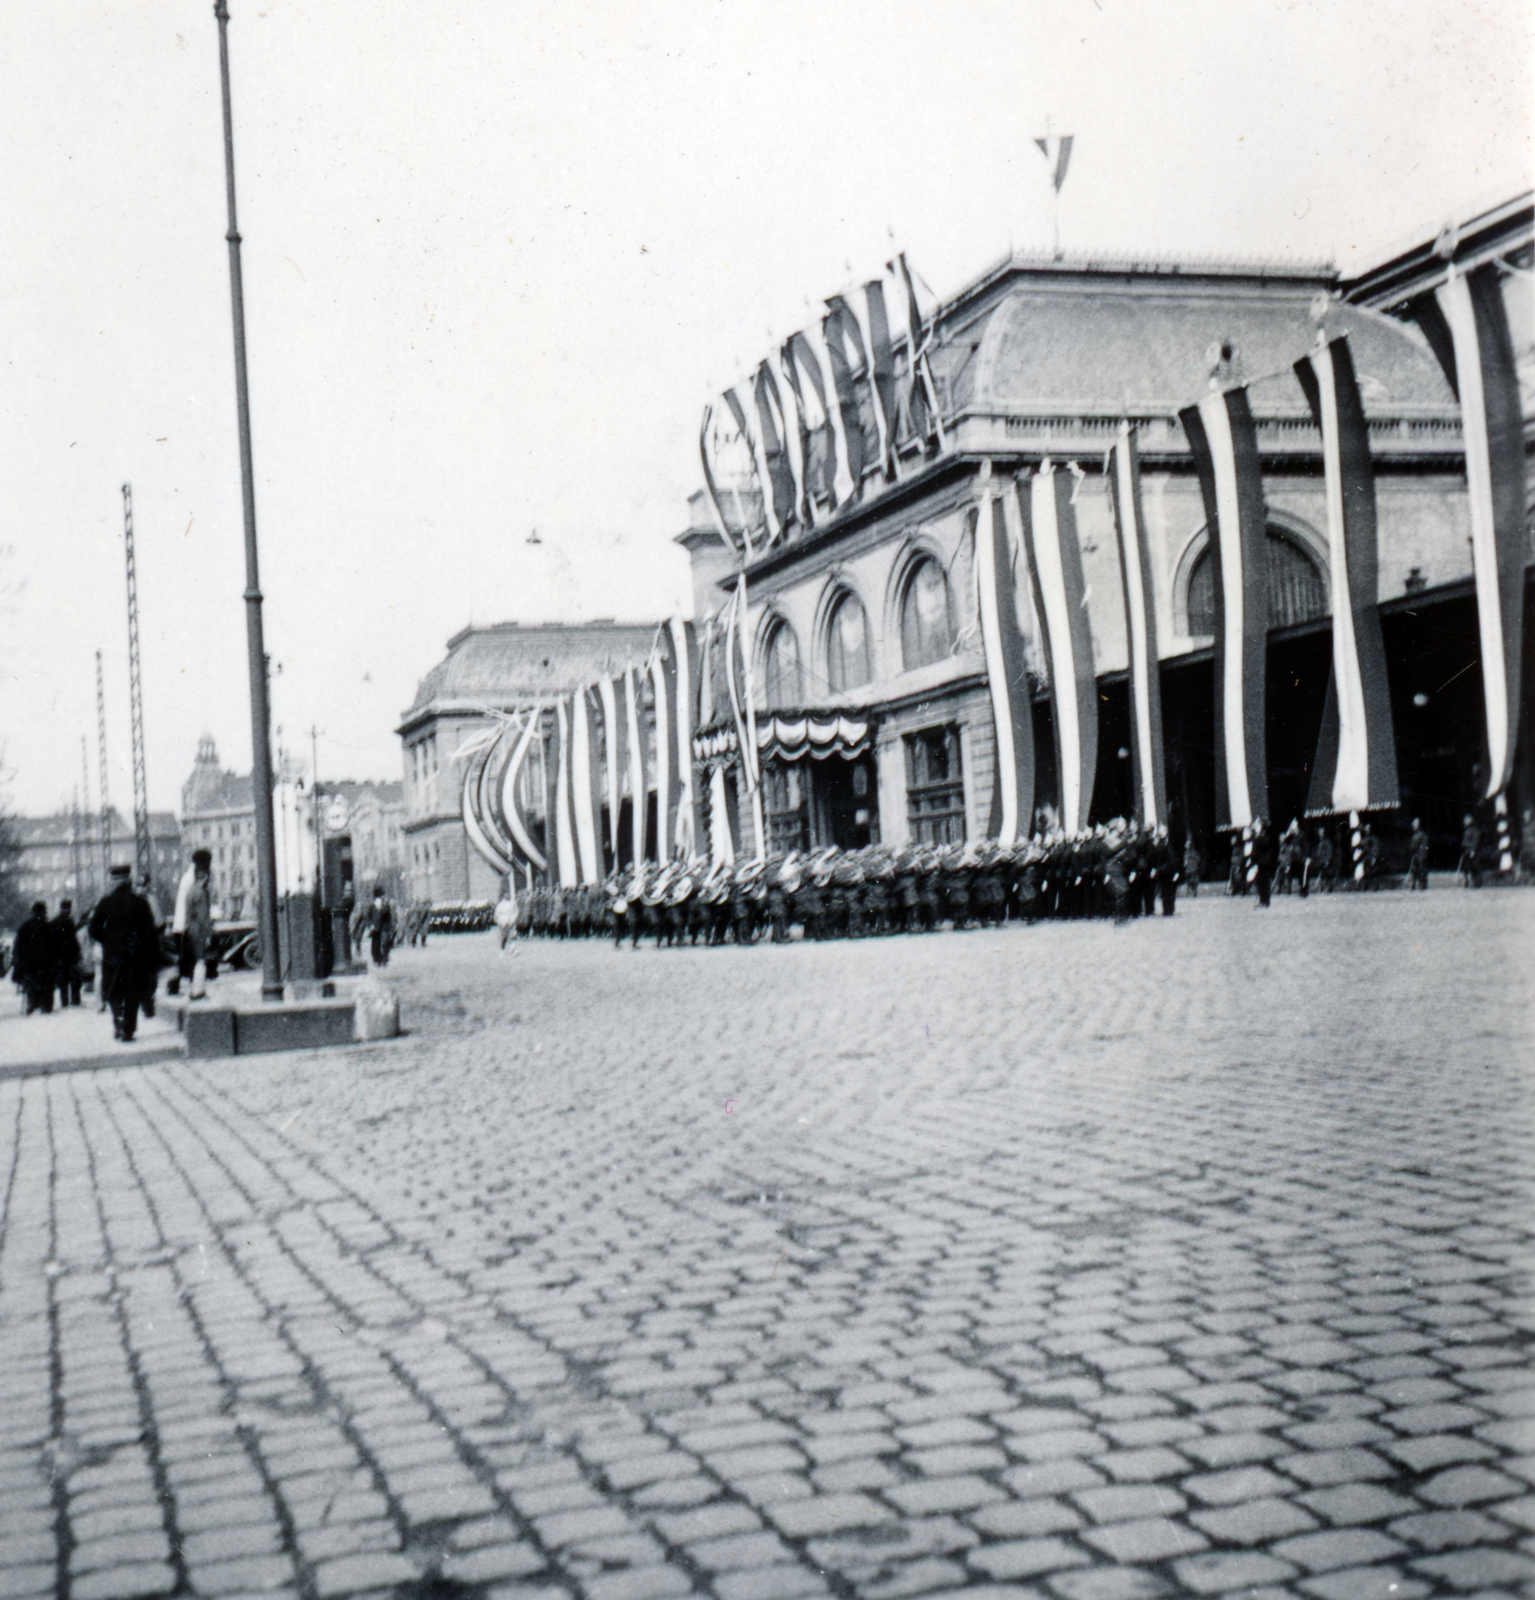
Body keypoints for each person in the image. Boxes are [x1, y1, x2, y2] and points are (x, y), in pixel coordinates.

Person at [88, 866, 162, 1042]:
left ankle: (118, 1020)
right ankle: (128, 1028)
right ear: (129, 881)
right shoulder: (140, 902)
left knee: (114, 988)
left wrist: (107, 940)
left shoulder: (105, 902)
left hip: (113, 953)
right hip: (135, 954)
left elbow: (93, 929)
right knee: (133, 990)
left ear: (113, 882)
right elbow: (149, 931)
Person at [12, 903, 57, 1015]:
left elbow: (18, 944)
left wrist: (19, 958)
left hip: (28, 960)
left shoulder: (25, 926)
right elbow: (53, 944)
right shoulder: (48, 926)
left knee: (30, 982)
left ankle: (32, 1002)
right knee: (45, 981)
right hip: (45, 960)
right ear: (44, 912)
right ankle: (46, 1005)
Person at [180, 858, 215, 998]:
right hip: (199, 931)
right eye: (208, 877)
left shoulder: (191, 891)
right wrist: (209, 935)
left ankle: (193, 989)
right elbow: (203, 917)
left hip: (190, 930)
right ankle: (198, 991)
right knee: (201, 960)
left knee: (192, 961)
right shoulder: (201, 893)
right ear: (205, 876)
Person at [52, 900, 84, 1007]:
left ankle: (64, 1001)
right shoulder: (68, 920)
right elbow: (72, 936)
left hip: (60, 954)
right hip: (70, 953)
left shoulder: (56, 921)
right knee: (74, 977)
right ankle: (75, 999)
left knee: (63, 979)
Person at [363, 885, 395, 967]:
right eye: (381, 895)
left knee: (385, 943)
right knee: (375, 945)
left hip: (384, 927)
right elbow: (367, 916)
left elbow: (389, 917)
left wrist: (391, 927)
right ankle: (377, 959)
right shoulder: (372, 905)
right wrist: (370, 925)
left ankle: (384, 959)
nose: (382, 897)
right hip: (375, 928)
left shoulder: (385, 905)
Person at [1250, 818, 1278, 908]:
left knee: (1264, 883)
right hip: (1260, 862)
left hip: (1265, 863)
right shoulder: (1258, 836)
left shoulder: (1264, 835)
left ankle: (1265, 902)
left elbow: (1263, 844)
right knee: (1260, 883)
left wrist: (1257, 836)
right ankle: (1262, 901)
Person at [493, 882, 519, 954]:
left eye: (509, 894)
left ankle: (513, 950)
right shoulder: (500, 905)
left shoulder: (512, 903)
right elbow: (497, 915)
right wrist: (501, 921)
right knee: (504, 937)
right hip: (503, 922)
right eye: (507, 894)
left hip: (511, 921)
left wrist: (513, 919)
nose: (508, 895)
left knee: (512, 935)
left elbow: (516, 911)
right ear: (504, 895)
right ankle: (502, 951)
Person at [1459, 815, 1482, 888]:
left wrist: (1473, 851)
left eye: (1466, 820)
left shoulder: (1475, 829)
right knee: (1466, 867)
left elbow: (1475, 841)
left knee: (1474, 866)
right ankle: (1467, 882)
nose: (1464, 822)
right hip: (1467, 851)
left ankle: (1477, 882)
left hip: (1473, 851)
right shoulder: (1467, 829)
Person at [1408, 818, 1430, 891]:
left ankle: (1422, 884)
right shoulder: (1416, 834)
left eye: (1414, 824)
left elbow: (1417, 845)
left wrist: (1422, 855)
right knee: (1414, 870)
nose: (1413, 826)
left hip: (1420, 855)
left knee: (1421, 870)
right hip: (1417, 855)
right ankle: (1414, 884)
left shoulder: (1420, 834)